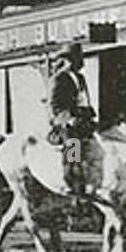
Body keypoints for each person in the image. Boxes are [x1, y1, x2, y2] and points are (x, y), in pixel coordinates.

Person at [48, 41, 96, 196]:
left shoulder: (80, 78)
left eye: (79, 59)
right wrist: (68, 118)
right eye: (74, 59)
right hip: (66, 123)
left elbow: (84, 99)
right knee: (73, 146)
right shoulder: (59, 78)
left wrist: (89, 114)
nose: (78, 63)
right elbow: (54, 104)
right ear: (67, 60)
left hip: (82, 120)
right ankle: (72, 182)